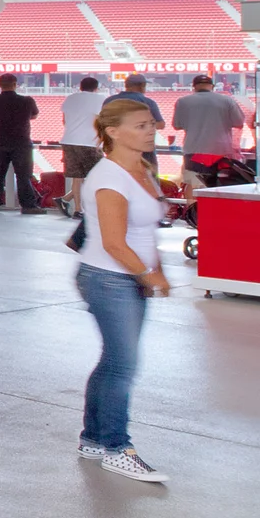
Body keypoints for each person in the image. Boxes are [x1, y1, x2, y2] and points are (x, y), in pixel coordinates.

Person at [76, 97, 171, 482]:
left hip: (131, 276)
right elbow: (115, 243)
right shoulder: (109, 177)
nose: (151, 131)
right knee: (123, 365)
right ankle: (118, 447)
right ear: (113, 132)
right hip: (107, 277)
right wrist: (149, 275)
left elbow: (145, 232)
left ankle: (92, 438)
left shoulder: (142, 169)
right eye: (141, 125)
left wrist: (154, 270)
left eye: (151, 124)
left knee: (114, 361)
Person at [173, 74, 248, 209]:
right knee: (219, 185)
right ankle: (217, 213)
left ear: (194, 87)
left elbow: (177, 125)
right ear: (212, 86)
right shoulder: (227, 100)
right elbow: (239, 122)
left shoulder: (183, 101)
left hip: (194, 150)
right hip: (221, 151)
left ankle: (194, 214)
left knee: (193, 183)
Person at [0, 73, 43, 213]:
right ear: (15, 84)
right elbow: (34, 115)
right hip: (21, 143)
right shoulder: (27, 101)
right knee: (23, 175)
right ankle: (28, 205)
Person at [58, 76, 105, 216]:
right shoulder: (100, 99)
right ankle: (85, 206)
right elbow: (100, 121)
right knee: (97, 176)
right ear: (96, 88)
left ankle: (77, 208)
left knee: (77, 177)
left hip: (69, 140)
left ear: (80, 86)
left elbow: (64, 121)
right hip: (89, 142)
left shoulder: (70, 98)